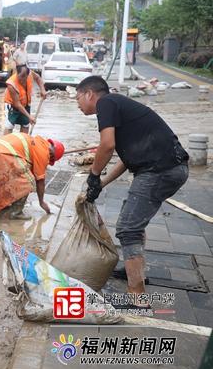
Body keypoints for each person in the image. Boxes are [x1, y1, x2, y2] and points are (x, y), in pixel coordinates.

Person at [76, 75, 189, 304]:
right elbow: (127, 159)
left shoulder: (105, 104)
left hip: (159, 170)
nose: (77, 104)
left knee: (128, 228)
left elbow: (107, 146)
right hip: (167, 167)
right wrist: (101, 185)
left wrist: (94, 175)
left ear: (89, 94)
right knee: (134, 222)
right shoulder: (119, 107)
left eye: (78, 98)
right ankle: (134, 273)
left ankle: (137, 296)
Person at [0, 133, 65, 220]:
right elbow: (40, 181)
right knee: (29, 181)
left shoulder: (37, 142)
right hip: (3, 153)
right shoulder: (44, 153)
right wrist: (41, 202)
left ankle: (3, 204)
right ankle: (16, 213)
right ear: (52, 155)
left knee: (6, 178)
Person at [3, 65, 46, 135]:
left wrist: (42, 89)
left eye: (23, 77)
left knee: (25, 124)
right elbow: (17, 104)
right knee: (9, 125)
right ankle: (6, 142)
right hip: (12, 105)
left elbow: (38, 78)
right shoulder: (11, 84)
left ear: (27, 75)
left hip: (25, 104)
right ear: (17, 73)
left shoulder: (30, 74)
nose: (21, 79)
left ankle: (24, 142)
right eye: (20, 76)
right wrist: (30, 117)